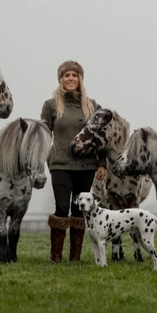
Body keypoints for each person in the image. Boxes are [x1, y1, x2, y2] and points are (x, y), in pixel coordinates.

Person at [40, 60, 107, 263]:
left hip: (87, 165)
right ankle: (56, 257)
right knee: (62, 207)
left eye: (74, 75)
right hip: (60, 164)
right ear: (61, 79)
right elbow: (43, 136)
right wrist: (49, 158)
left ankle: (75, 258)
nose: (71, 78)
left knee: (80, 209)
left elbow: (100, 135)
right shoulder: (50, 105)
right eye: (67, 75)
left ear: (80, 79)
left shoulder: (92, 106)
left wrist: (102, 162)